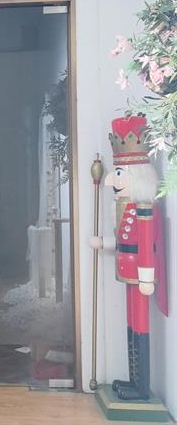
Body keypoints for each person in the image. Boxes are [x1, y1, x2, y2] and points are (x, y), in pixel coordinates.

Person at [90, 116, 167, 400]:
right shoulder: (124, 207)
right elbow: (124, 241)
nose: (112, 179)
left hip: (139, 275)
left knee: (141, 325)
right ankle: (133, 380)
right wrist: (104, 243)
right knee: (131, 324)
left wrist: (147, 276)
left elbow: (145, 246)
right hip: (126, 270)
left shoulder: (145, 209)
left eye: (119, 173)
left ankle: (142, 386)